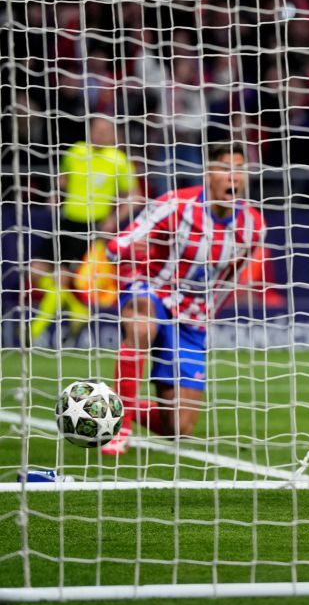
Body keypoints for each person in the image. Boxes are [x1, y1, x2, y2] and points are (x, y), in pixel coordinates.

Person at [100, 143, 264, 455]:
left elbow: (227, 281)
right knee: (142, 324)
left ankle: (114, 403)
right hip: (153, 290)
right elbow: (117, 245)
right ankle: (119, 429)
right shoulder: (175, 205)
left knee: (179, 429)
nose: (234, 177)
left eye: (240, 169)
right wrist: (129, 250)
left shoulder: (253, 226)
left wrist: (207, 316)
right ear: (208, 174)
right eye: (225, 168)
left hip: (192, 316)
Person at [28, 115, 138, 345]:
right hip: (66, 222)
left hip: (92, 226)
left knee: (63, 278)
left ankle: (32, 333)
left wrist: (113, 219)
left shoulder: (118, 160)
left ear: (112, 135)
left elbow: (134, 197)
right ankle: (78, 310)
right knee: (35, 269)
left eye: (105, 130)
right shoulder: (76, 152)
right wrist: (55, 196)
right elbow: (63, 180)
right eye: (96, 129)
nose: (100, 134)